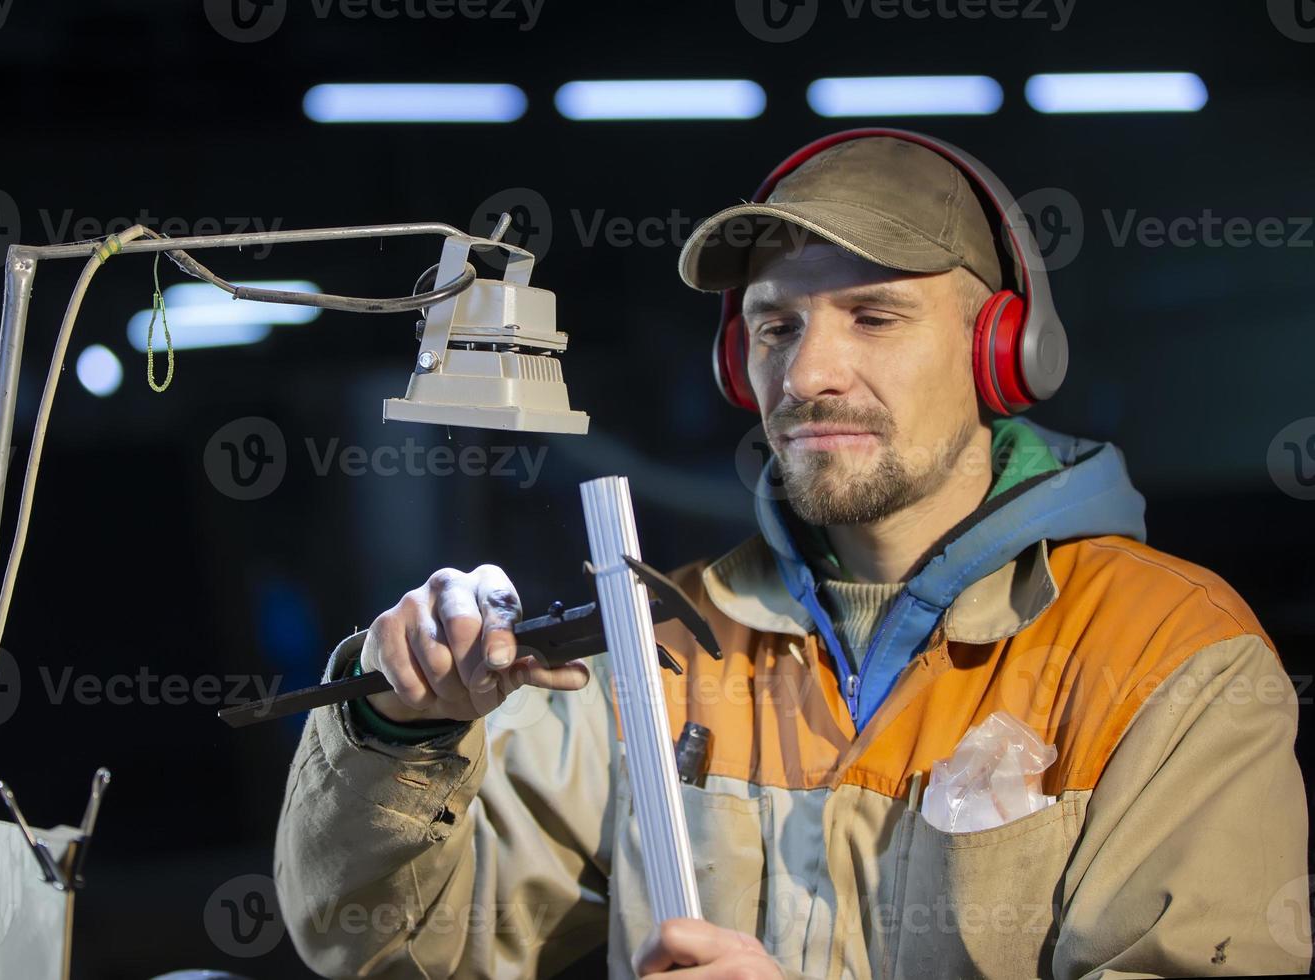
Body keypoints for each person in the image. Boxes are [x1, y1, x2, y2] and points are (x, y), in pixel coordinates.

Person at [274, 132, 1311, 978]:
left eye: (874, 315)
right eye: (775, 326)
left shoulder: (1167, 657)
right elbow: (389, 944)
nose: (809, 372)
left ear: (1001, 348)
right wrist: (396, 731)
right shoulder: (658, 650)